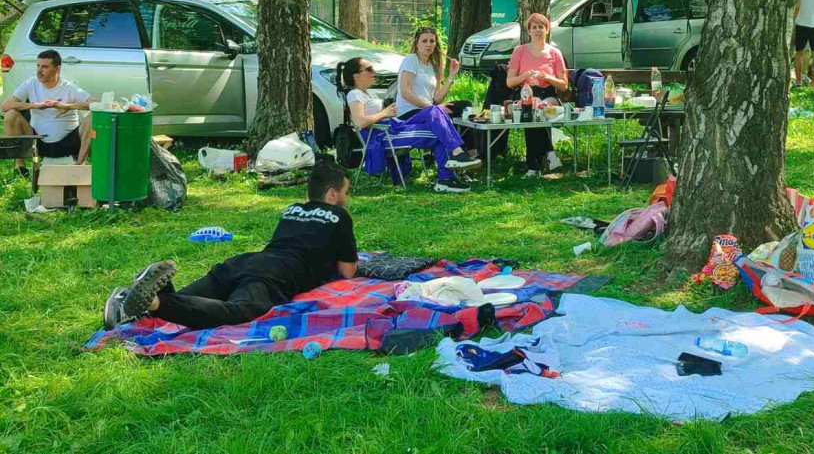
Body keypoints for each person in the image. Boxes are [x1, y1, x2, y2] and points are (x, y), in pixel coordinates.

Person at [102, 159, 359, 331]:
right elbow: (347, 272)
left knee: (185, 300)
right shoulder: (340, 216)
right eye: (345, 192)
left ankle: (130, 300)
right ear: (332, 194)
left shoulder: (292, 209)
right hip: (277, 275)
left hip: (244, 262)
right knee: (236, 312)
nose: (346, 198)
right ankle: (154, 303)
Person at [341, 56, 479, 193]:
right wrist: (384, 113)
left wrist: (388, 113)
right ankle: (447, 176)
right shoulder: (354, 94)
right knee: (439, 133)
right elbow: (359, 122)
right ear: (356, 76)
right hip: (384, 136)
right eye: (369, 69)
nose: (374, 72)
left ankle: (454, 159)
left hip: (394, 127)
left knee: (434, 110)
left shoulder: (367, 94)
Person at [2, 49, 97, 173]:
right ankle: (20, 167)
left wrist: (67, 106)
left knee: (94, 116)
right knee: (11, 115)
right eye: (38, 66)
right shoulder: (30, 83)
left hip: (68, 142)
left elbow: (98, 104)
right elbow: (5, 106)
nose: (39, 71)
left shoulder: (68, 87)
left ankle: (79, 166)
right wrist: (35, 105)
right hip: (37, 142)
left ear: (57, 69)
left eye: (45, 67)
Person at [507, 13, 569, 178]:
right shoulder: (519, 51)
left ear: (547, 30)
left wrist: (547, 77)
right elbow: (510, 82)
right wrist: (524, 76)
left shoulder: (555, 53)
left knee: (540, 109)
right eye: (534, 27)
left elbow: (564, 84)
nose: (537, 30)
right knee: (531, 109)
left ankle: (533, 167)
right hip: (526, 92)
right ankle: (549, 153)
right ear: (529, 31)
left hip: (548, 93)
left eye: (541, 27)